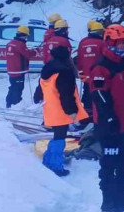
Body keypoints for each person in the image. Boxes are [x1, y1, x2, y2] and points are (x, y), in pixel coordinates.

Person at [91, 25, 124, 212]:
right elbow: (99, 94)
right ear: (110, 42)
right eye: (121, 43)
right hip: (109, 126)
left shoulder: (123, 64)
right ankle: (109, 200)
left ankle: (123, 194)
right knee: (109, 164)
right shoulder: (101, 67)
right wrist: (110, 118)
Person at [33, 45, 89, 176]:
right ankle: (55, 165)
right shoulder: (65, 71)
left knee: (58, 135)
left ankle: (50, 159)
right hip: (61, 109)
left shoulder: (48, 68)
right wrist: (72, 111)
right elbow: (66, 93)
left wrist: (38, 97)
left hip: (50, 108)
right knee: (60, 137)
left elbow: (40, 86)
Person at [76, 21, 106, 116]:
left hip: (86, 76)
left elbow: (79, 58)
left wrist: (80, 72)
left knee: (87, 95)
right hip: (98, 76)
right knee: (98, 96)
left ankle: (86, 115)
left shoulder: (83, 42)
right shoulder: (102, 43)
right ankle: (95, 116)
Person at [5, 26, 37, 108]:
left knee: (13, 86)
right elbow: (28, 54)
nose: (26, 38)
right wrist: (36, 51)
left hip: (11, 69)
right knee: (18, 88)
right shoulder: (20, 44)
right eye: (26, 36)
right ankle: (16, 104)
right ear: (24, 35)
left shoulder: (11, 43)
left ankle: (9, 103)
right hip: (18, 70)